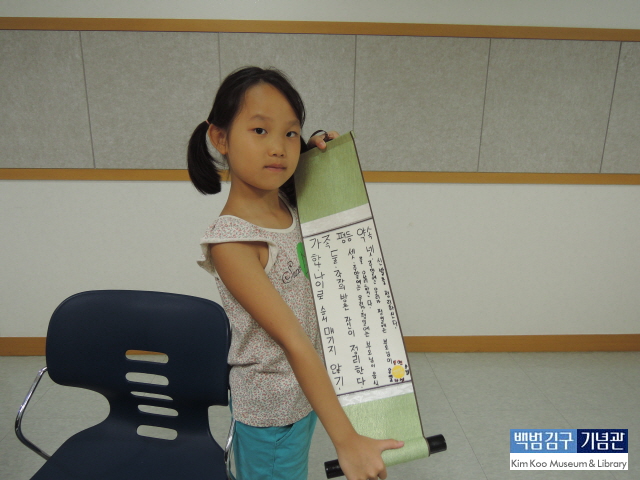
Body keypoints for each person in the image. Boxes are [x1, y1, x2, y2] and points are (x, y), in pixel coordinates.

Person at [187, 66, 403, 480]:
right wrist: (346, 440)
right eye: (259, 130)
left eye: (290, 133)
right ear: (220, 138)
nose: (278, 148)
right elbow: (293, 339)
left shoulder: (288, 207)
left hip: (303, 393)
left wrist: (325, 159)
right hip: (271, 413)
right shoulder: (233, 242)